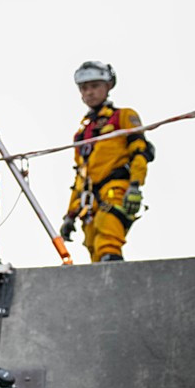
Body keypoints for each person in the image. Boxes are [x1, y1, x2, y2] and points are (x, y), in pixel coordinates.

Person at [59, 61, 156, 262]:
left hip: (116, 189)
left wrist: (135, 185)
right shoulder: (81, 134)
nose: (89, 92)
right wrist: (70, 214)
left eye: (95, 86)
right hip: (90, 200)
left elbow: (140, 152)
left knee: (108, 239)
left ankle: (115, 279)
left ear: (108, 86)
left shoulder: (122, 117)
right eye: (84, 88)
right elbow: (80, 176)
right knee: (94, 248)